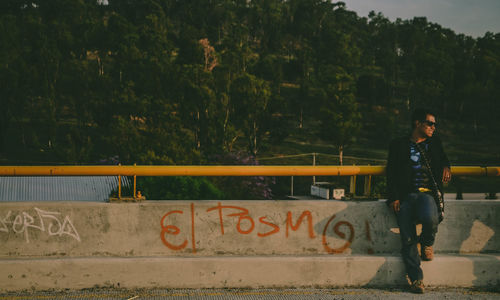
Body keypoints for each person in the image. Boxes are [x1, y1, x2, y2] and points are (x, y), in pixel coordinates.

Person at [386, 108, 451, 294]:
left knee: (431, 219)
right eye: (430, 123)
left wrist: (447, 166)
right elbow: (391, 172)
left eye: (434, 124)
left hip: (427, 195)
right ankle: (416, 280)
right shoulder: (398, 145)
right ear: (417, 124)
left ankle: (427, 241)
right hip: (406, 196)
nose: (433, 127)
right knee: (407, 239)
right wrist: (394, 197)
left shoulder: (435, 143)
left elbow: (444, 158)